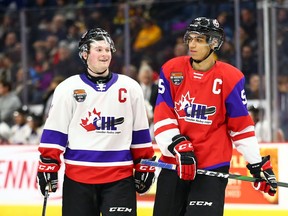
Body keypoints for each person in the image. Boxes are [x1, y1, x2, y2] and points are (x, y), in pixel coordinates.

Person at [152, 17, 277, 216]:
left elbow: (241, 127)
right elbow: (163, 115)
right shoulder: (171, 70)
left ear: (214, 43)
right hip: (174, 163)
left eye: (199, 39)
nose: (192, 44)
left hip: (211, 167)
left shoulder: (231, 78)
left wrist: (256, 164)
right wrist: (177, 146)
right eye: (190, 38)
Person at [36, 28, 155, 216]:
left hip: (120, 180)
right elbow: (55, 132)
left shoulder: (130, 87)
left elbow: (139, 133)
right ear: (85, 54)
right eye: (99, 49)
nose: (105, 54)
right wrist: (48, 164)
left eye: (107, 50)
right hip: (78, 181)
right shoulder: (68, 88)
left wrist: (144, 164)